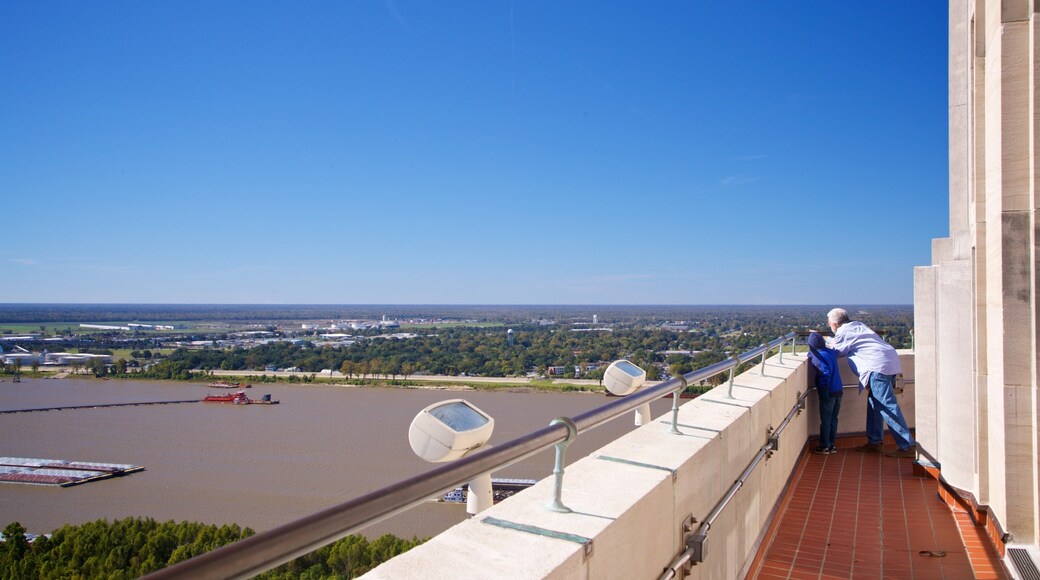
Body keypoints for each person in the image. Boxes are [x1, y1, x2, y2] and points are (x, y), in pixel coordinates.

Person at [826, 307, 916, 458]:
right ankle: (874, 442)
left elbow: (838, 350)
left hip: (877, 367)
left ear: (834, 324)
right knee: (875, 403)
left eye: (829, 324)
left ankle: (907, 445)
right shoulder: (858, 325)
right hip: (889, 363)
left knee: (887, 406)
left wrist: (826, 340)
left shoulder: (843, 332)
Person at [807, 332, 842, 454]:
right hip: (838, 390)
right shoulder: (830, 353)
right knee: (833, 419)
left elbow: (825, 372)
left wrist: (823, 388)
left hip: (828, 392)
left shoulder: (818, 357)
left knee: (826, 421)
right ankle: (832, 445)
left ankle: (824, 446)